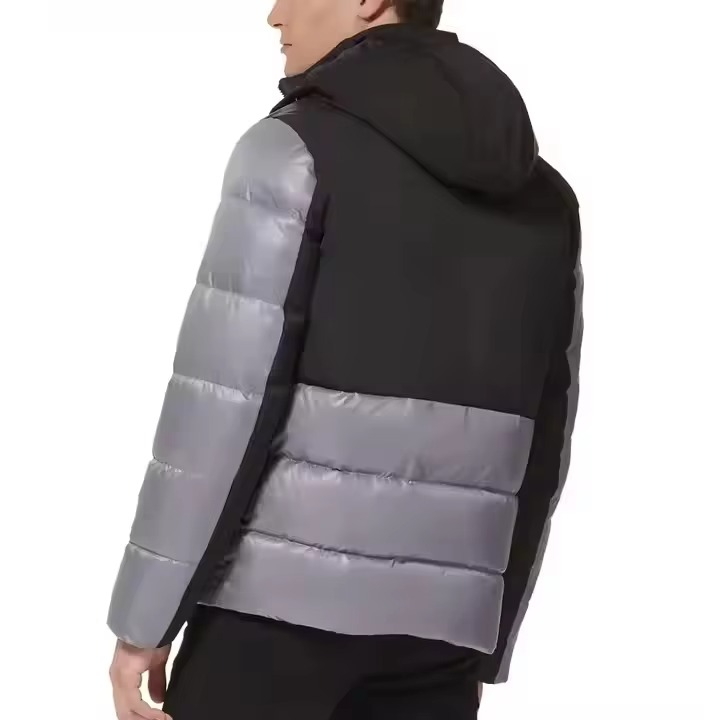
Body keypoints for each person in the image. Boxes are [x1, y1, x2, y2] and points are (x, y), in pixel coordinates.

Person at [107, 1, 584, 718]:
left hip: (273, 617)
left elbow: (221, 411)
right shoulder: (543, 196)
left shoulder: (293, 150)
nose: (274, 15)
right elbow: (547, 428)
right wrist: (494, 628)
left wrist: (144, 622)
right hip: (441, 636)